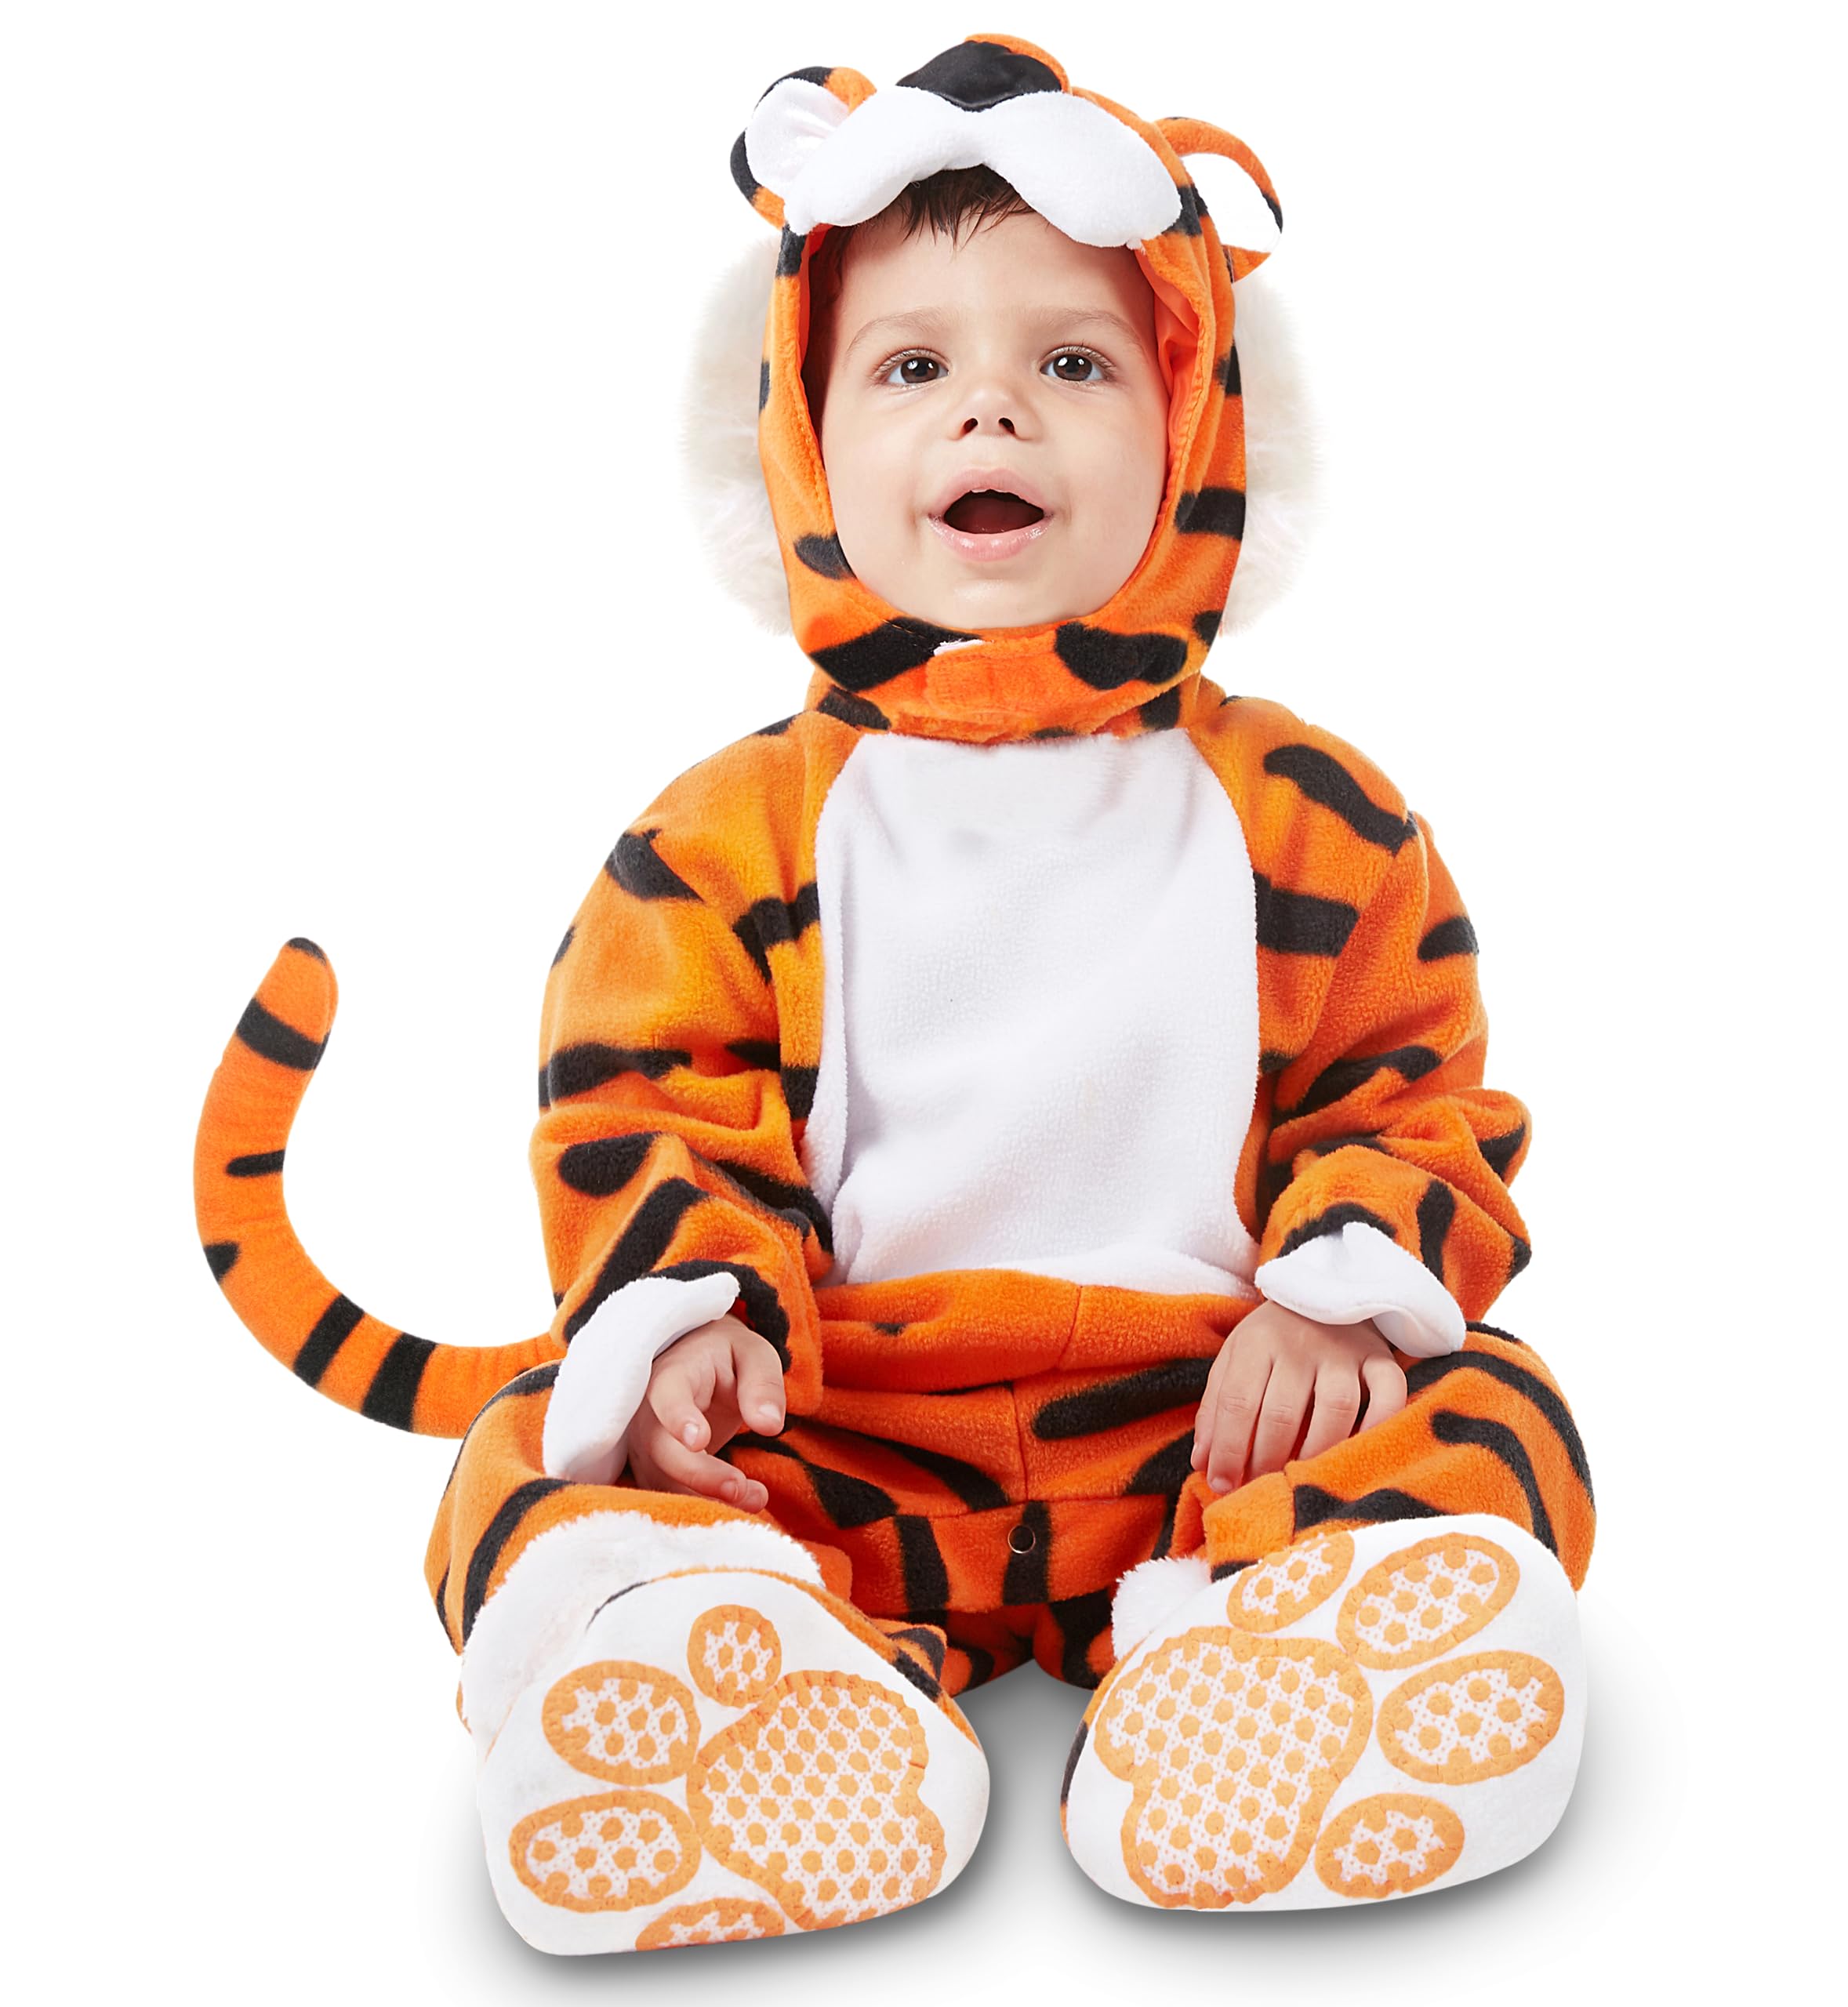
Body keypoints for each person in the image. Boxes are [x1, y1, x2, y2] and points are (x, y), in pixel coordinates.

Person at [194, 33, 1596, 1951]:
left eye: (1074, 364)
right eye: (911, 367)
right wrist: (688, 1318)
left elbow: (1405, 1091)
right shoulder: (725, 834)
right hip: (842, 1418)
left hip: (1214, 1418)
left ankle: (1277, 1654)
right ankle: (729, 1661)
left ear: (1197, 425)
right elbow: (649, 1106)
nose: (989, 410)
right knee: (528, 1440)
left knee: (1489, 1400)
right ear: (795, 440)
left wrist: (1339, 1289)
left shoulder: (1312, 814)